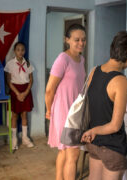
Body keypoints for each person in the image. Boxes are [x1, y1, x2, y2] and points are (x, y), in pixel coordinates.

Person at [81, 31, 127, 180]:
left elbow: (89, 105)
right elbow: (115, 125)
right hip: (112, 146)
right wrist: (95, 130)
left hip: (94, 143)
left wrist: (92, 131)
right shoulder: (120, 80)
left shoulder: (94, 71)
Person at [45, 24, 86, 180]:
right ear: (67, 40)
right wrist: (49, 111)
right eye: (76, 39)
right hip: (64, 111)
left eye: (83, 39)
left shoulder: (81, 59)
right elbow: (49, 90)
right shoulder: (63, 59)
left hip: (75, 111)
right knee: (73, 154)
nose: (81, 43)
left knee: (64, 151)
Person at [4, 42, 34, 150]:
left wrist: (25, 93)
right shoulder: (10, 64)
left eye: (22, 50)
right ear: (14, 51)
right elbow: (8, 81)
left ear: (24, 51)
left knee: (24, 115)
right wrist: (17, 93)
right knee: (14, 116)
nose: (20, 52)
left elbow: (31, 80)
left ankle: (25, 138)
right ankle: (14, 139)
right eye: (18, 49)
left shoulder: (28, 63)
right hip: (15, 90)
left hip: (26, 90)